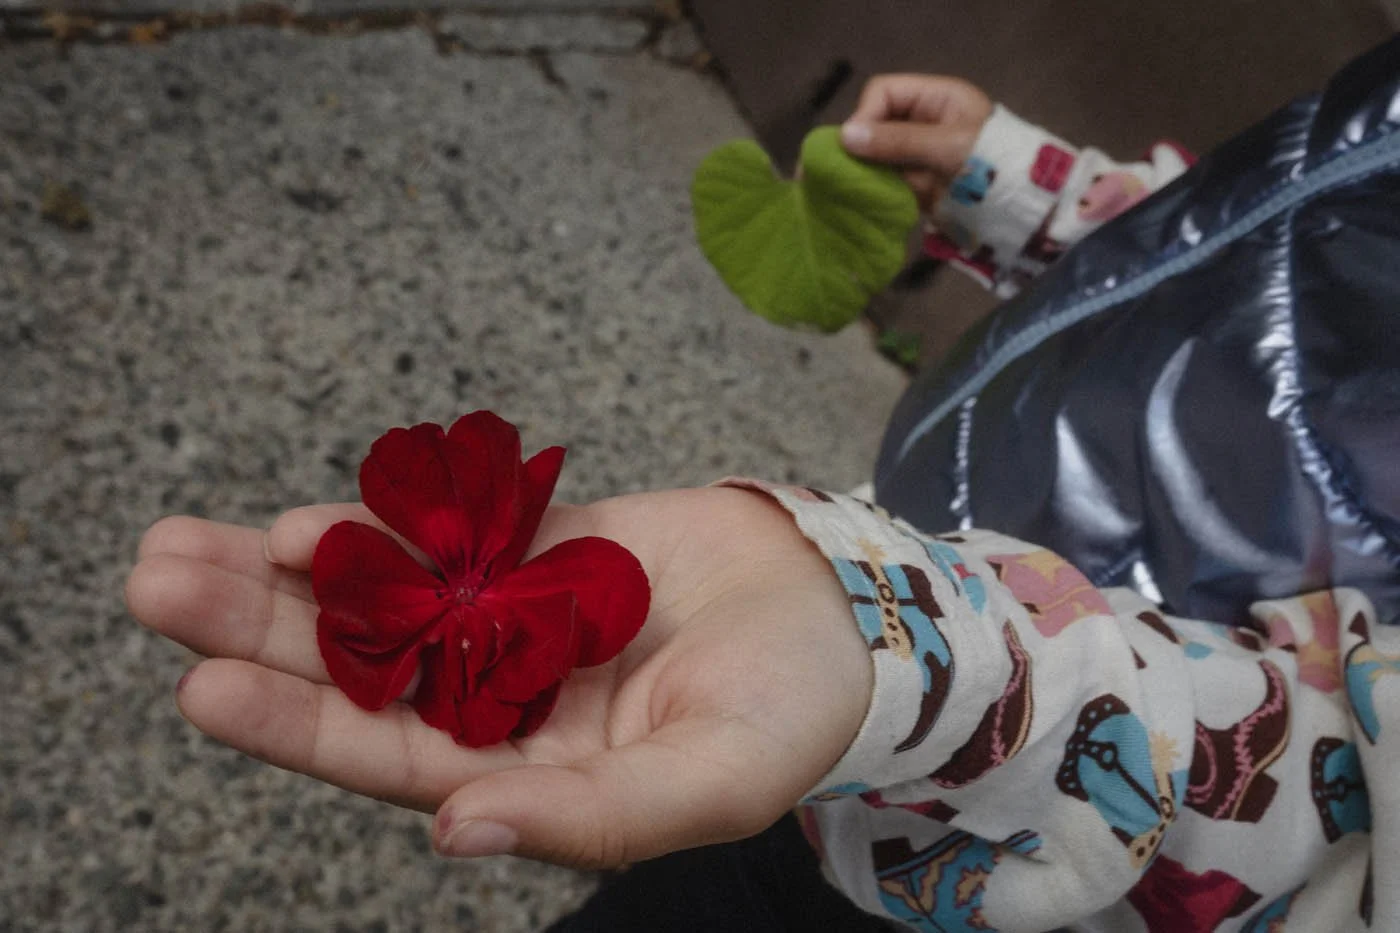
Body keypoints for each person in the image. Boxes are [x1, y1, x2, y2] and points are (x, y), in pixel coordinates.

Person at [126, 36, 1400, 933]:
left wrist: (945, 674)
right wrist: (1032, 194)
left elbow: (1360, 836)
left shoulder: (941, 684)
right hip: (891, 626)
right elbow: (1251, 248)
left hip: (1054, 859)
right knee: (698, 843)